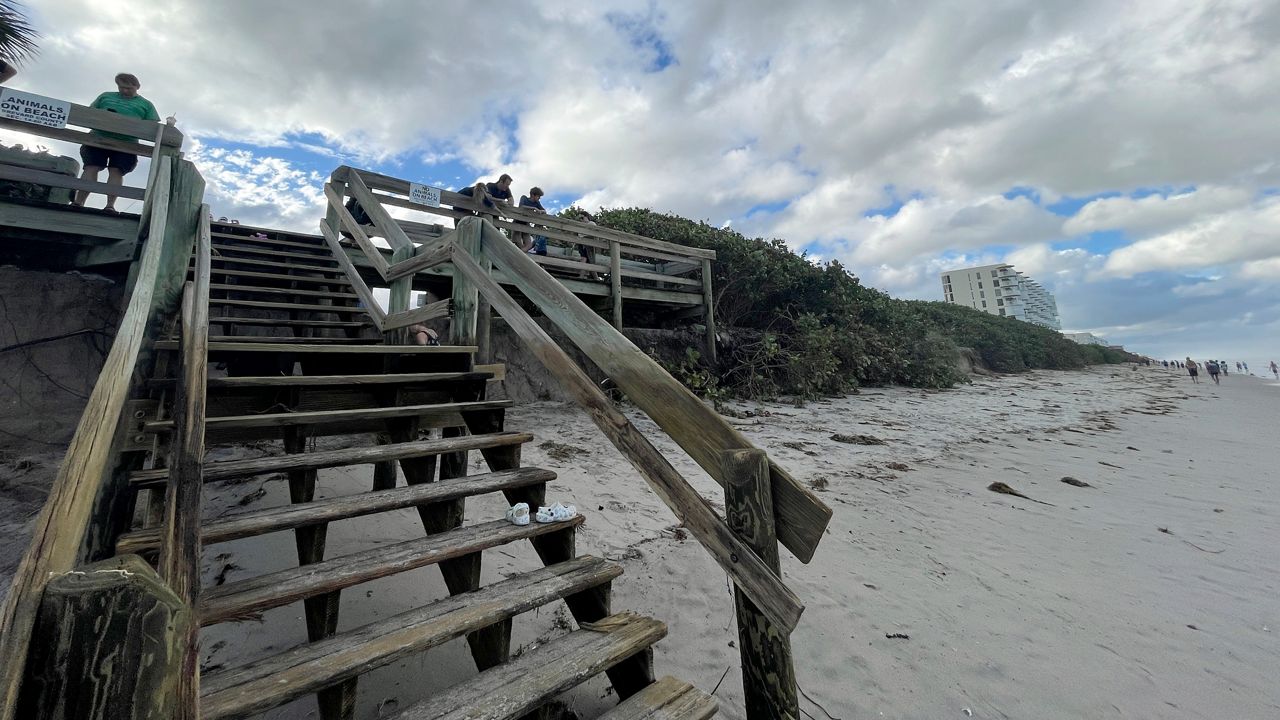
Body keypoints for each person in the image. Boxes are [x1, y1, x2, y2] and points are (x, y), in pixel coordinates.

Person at [72, 73, 161, 213]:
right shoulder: (106, 96)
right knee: (91, 167)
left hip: (127, 143)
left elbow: (152, 125)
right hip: (98, 137)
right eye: (121, 87)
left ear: (137, 87)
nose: (125, 91)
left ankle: (110, 205)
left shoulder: (146, 104)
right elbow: (90, 113)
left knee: (116, 171)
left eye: (129, 88)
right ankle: (78, 202)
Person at [518, 186, 547, 254]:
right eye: (538, 196)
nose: (539, 198)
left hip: (526, 224)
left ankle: (517, 255)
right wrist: (533, 208)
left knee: (529, 246)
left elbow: (544, 211)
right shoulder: (524, 198)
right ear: (532, 195)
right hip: (517, 222)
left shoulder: (537, 203)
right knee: (517, 242)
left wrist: (540, 211)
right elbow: (521, 206)